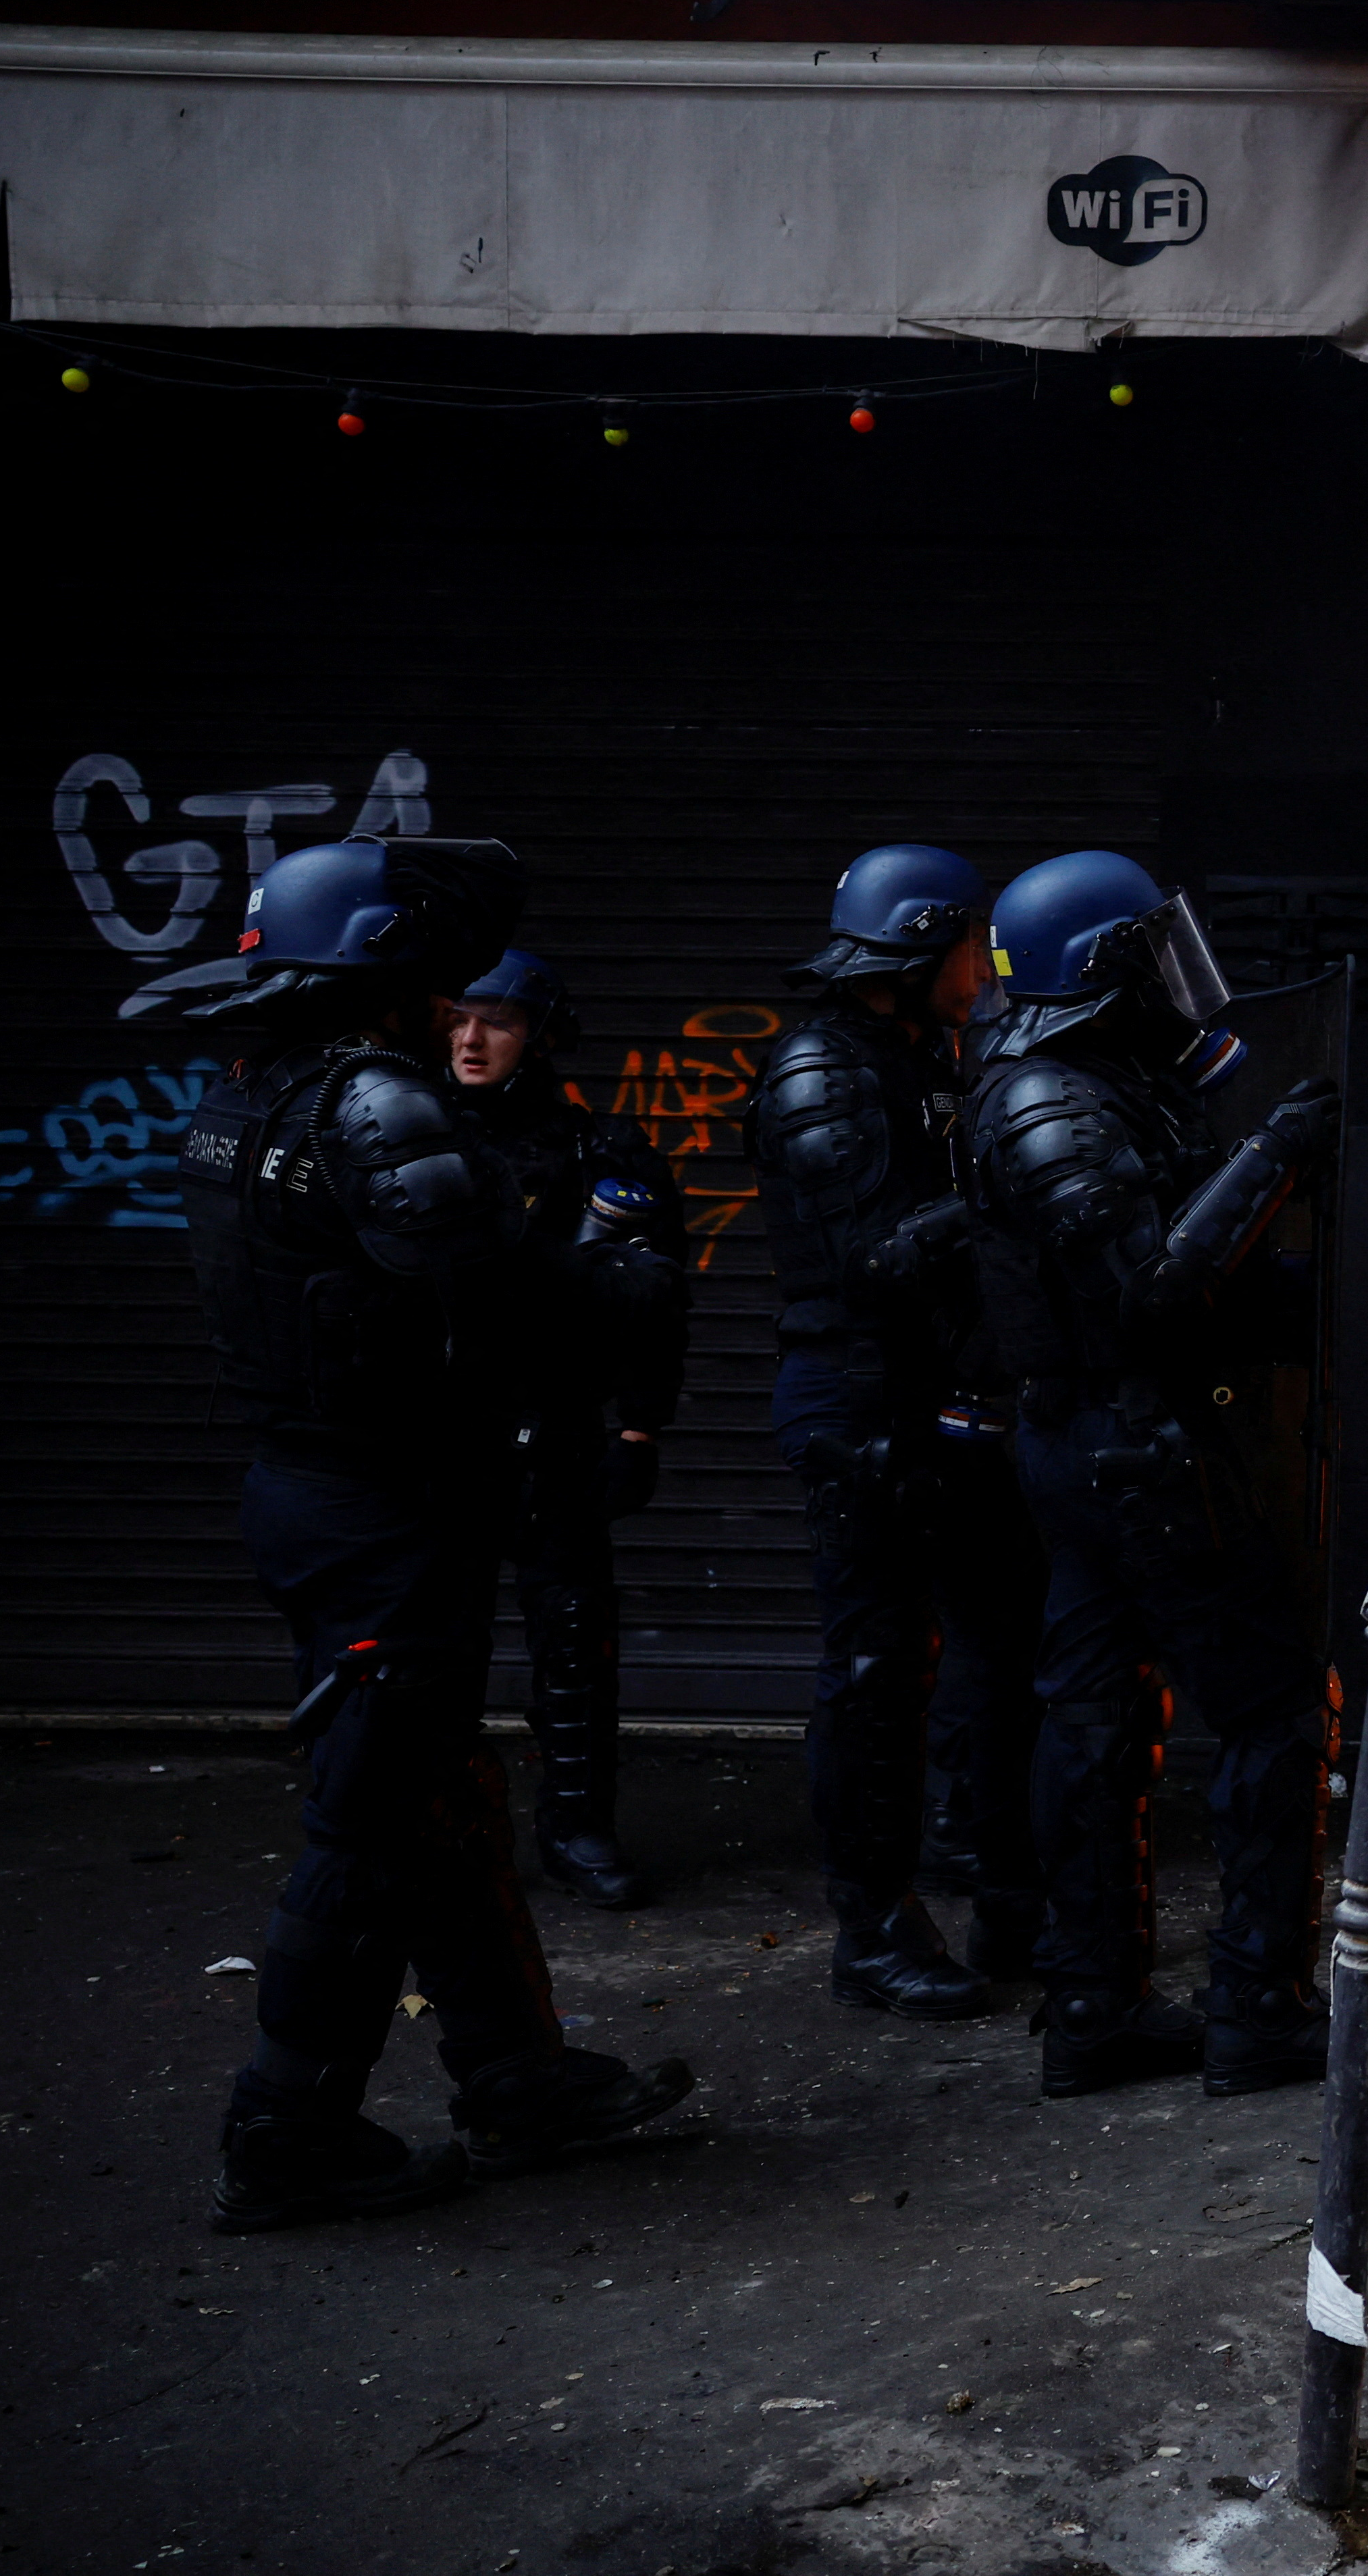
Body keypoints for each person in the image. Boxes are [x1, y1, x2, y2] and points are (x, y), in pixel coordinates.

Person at [181, 834, 695, 2233]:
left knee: (443, 1800)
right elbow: (504, 1299)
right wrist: (620, 1270)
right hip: (378, 1511)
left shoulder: (255, 1090)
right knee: (366, 1824)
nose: (458, 997)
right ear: (388, 968)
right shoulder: (367, 1104)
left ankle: (519, 2079)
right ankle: (285, 2134)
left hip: (348, 1494)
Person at [964, 851, 1342, 2099]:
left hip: (1095, 1450)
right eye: (1151, 952)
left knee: (1094, 1722)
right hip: (1145, 1451)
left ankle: (1094, 2008)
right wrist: (1279, 1151)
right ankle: (1259, 2011)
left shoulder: (1080, 1083)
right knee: (1273, 1716)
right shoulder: (1051, 1103)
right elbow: (1152, 1292)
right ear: (1108, 970)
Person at [749, 846, 1046, 2020]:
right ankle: (871, 1933)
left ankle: (1008, 1895)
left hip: (944, 1397)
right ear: (921, 949)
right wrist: (1005, 1191)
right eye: (970, 948)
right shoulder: (822, 1071)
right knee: (876, 1674)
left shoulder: (922, 1053)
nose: (983, 972)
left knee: (997, 1648)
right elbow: (874, 1259)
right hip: (858, 1402)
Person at [444, 951, 688, 1908]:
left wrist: (640, 1431)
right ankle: (441, 1836)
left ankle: (579, 1830)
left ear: (537, 1034)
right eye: (456, 1017)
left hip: (557, 1433)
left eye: (495, 1021)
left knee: (577, 1645)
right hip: (443, 1439)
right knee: (434, 1653)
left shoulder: (600, 1155)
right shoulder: (399, 1137)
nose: (470, 1040)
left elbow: (657, 1307)